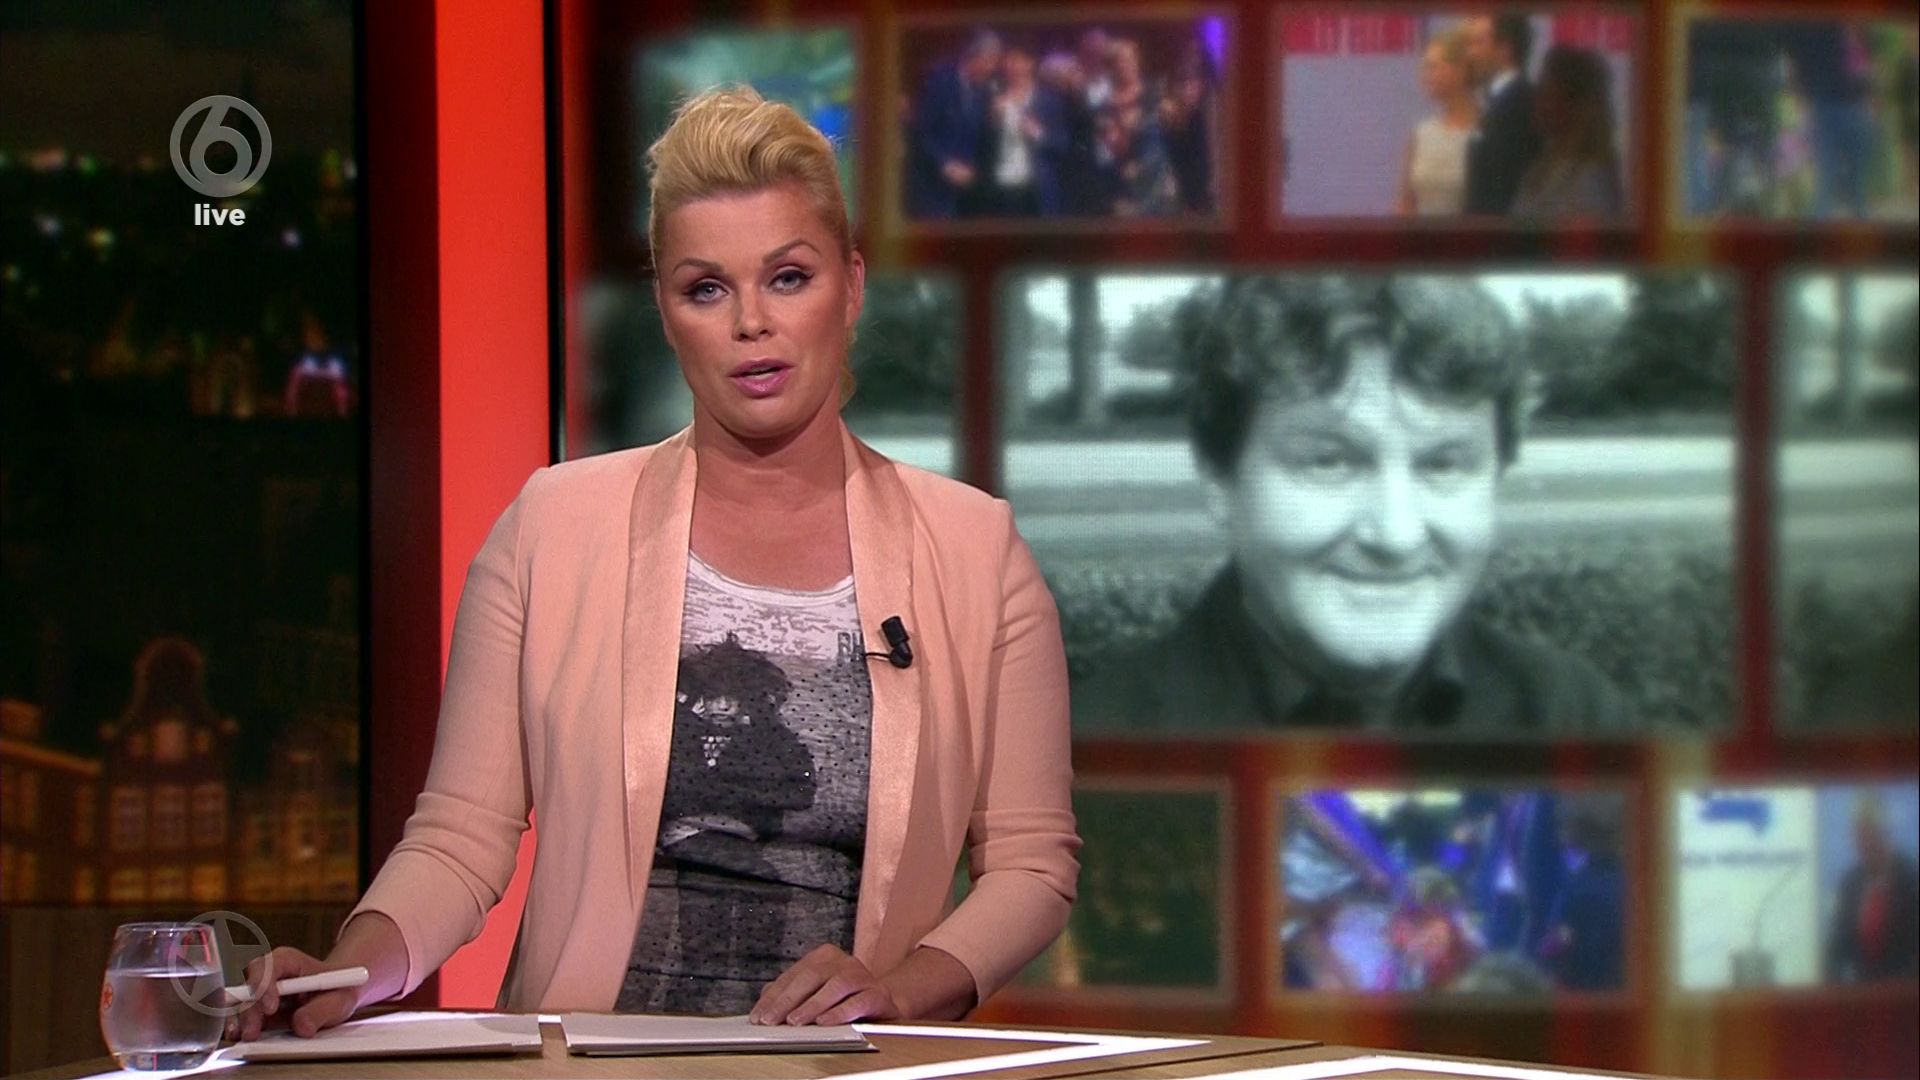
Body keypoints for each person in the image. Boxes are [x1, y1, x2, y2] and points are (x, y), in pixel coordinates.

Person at [234, 85, 1079, 1039]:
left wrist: (901, 992)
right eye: (706, 288)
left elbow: (1031, 865)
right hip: (592, 1060)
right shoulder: (551, 527)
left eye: (788, 277)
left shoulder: (975, 551)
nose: (751, 322)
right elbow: (459, 841)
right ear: (666, 312)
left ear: (851, 285)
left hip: (841, 1067)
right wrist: (348, 974)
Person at [1072, 275, 1628, 734]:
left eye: (1443, 465)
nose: (1397, 535)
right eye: (1329, 462)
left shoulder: (1575, 716)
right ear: (1220, 480)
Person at [1511, 46, 1625, 221]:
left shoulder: (1589, 182)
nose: (1536, 102)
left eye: (1547, 94)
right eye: (1538, 92)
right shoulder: (1543, 166)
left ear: (1575, 105)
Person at [905, 31, 1002, 220]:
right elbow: (921, 133)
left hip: (966, 195)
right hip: (932, 190)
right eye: (990, 61)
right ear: (973, 57)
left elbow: (981, 141)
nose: (992, 69)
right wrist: (946, 164)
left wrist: (994, 122)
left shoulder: (985, 92)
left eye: (995, 63)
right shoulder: (938, 82)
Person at [1824, 793, 1919, 983]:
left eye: (1870, 834)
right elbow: (1836, 947)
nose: (1864, 843)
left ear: (1887, 833)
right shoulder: (1850, 882)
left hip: (1905, 993)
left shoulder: (1912, 879)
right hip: (1861, 994)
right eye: (1859, 836)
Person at [1463, 14, 1544, 216]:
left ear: (1504, 49)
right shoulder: (1495, 101)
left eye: (1477, 43)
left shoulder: (1519, 105)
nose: (1469, 54)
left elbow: (1506, 188)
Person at [1399, 27, 1479, 217]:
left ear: (1460, 70)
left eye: (1433, 67)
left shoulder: (1485, 133)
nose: (1424, 75)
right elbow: (1405, 204)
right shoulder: (1421, 134)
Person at [982, 45, 1068, 217]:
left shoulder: (1049, 101)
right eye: (1007, 60)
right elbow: (982, 147)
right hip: (1003, 187)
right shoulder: (993, 98)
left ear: (1030, 64)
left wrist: (1038, 134)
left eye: (1016, 60)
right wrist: (993, 121)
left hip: (1038, 189)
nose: (1011, 66)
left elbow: (1063, 145)